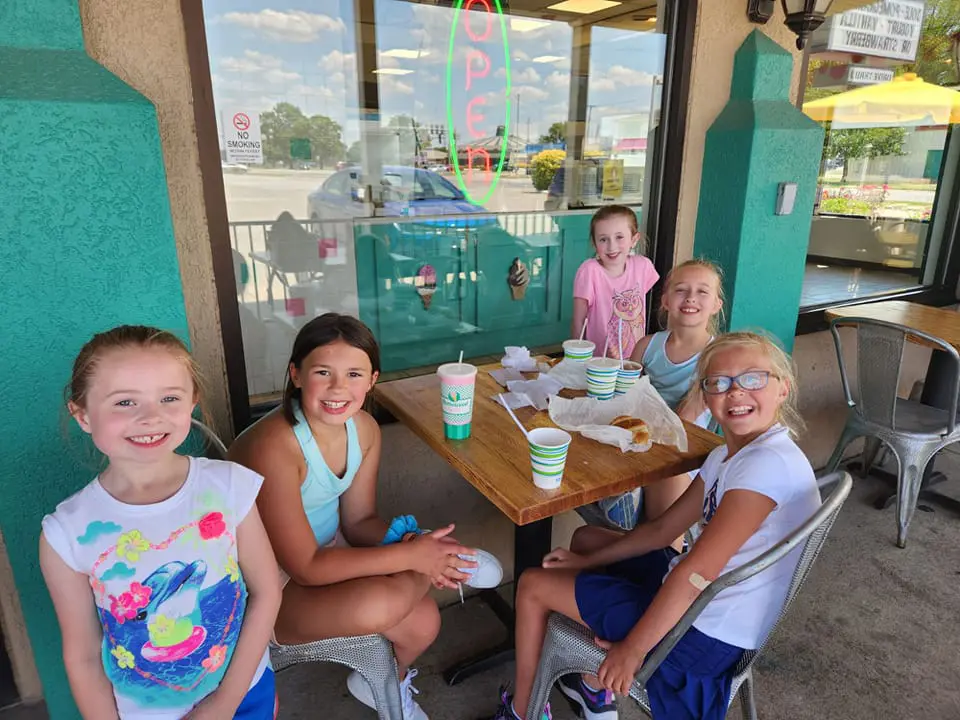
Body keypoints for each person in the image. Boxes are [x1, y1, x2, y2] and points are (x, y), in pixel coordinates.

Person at [489, 331, 820, 720]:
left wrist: (634, 649)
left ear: (783, 388)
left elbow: (697, 572)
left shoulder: (766, 466)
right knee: (587, 539)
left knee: (531, 585)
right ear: (704, 395)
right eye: (718, 382)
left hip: (701, 637)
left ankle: (524, 712)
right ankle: (592, 687)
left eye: (753, 378)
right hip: (702, 607)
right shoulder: (729, 456)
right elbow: (663, 530)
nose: (735, 392)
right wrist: (586, 561)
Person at [228, 313, 474, 720]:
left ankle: (382, 683)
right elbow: (306, 567)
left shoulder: (364, 429)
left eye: (354, 374)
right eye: (323, 372)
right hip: (263, 590)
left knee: (424, 622)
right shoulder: (275, 446)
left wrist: (416, 546)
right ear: (296, 374)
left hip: (326, 554)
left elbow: (359, 522)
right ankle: (430, 567)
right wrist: (414, 557)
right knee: (384, 604)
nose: (338, 388)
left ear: (373, 379)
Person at [40, 325, 281, 720]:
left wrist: (226, 701)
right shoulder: (66, 533)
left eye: (169, 398)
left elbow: (267, 592)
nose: (151, 417)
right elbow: (83, 656)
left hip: (245, 694)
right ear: (82, 415)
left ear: (192, 402)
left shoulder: (230, 486)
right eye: (125, 402)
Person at [579, 259, 725, 536]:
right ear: (666, 300)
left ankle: (666, 546)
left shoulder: (717, 356)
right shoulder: (647, 346)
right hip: (642, 440)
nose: (690, 297)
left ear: (717, 304)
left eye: (702, 291)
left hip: (685, 452)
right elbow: (625, 400)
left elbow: (685, 420)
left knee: (662, 490)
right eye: (681, 290)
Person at [571, 205, 660, 360]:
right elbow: (578, 320)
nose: (611, 246)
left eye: (619, 237)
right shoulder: (589, 271)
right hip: (599, 361)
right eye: (603, 239)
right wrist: (576, 359)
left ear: (634, 239)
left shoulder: (643, 266)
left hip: (634, 360)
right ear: (594, 243)